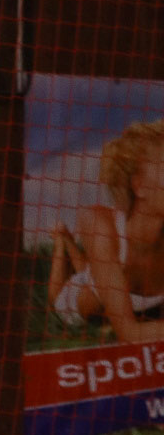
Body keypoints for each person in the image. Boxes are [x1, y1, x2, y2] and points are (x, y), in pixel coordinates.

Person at [46, 119, 164, 339]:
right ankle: (62, 242)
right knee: (61, 296)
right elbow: (130, 333)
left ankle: (68, 241)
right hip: (79, 296)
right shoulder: (98, 221)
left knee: (92, 271)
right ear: (139, 186)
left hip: (106, 275)